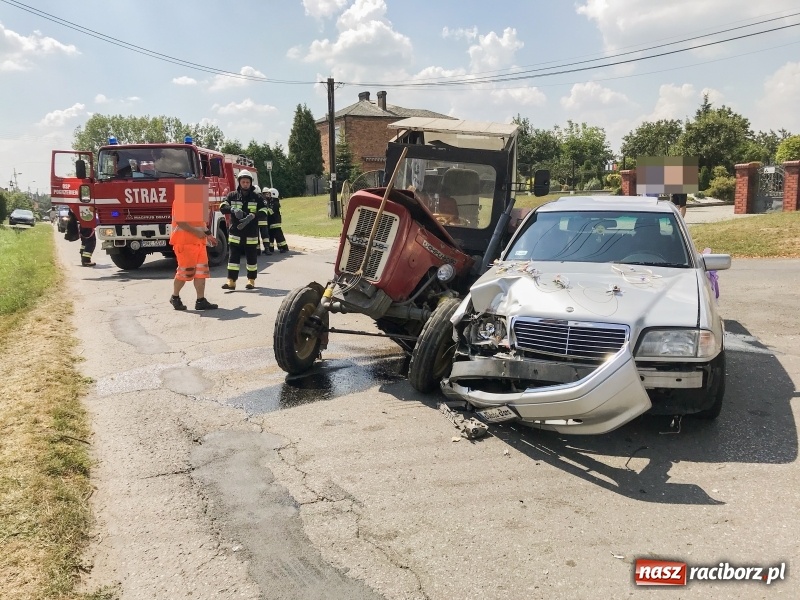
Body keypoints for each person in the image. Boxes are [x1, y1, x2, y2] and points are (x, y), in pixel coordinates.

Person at [220, 170, 269, 290]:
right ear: (239, 183)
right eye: (243, 182)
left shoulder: (257, 197)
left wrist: (253, 215)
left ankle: (251, 280)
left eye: (247, 182)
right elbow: (222, 207)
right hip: (235, 233)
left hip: (251, 234)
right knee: (233, 259)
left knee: (251, 259)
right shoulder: (232, 195)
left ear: (251, 183)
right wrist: (232, 209)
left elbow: (265, 211)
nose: (245, 184)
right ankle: (231, 281)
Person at [168, 204, 218, 311]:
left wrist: (209, 235)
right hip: (185, 243)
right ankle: (175, 297)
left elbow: (201, 224)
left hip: (199, 244)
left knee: (201, 273)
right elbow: (181, 222)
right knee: (185, 273)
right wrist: (197, 233)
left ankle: (201, 300)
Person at [263, 187, 289, 254]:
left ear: (273, 194)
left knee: (279, 236)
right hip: (271, 222)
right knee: (270, 236)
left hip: (275, 223)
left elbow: (271, 212)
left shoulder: (275, 203)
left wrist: (266, 207)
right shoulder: (271, 202)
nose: (267, 195)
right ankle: (270, 248)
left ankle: (284, 247)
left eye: (269, 194)